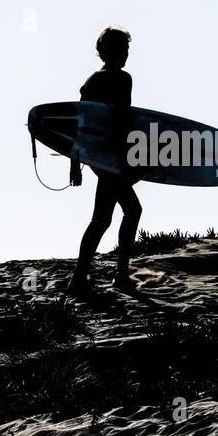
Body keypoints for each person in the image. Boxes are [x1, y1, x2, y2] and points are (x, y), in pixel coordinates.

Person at [68, 27, 142, 293]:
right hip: (112, 158)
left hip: (98, 159)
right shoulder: (123, 79)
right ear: (114, 51)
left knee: (102, 219)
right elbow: (124, 121)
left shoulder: (91, 82)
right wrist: (134, 160)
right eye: (125, 50)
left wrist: (76, 162)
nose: (127, 55)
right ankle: (120, 275)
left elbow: (81, 122)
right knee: (131, 211)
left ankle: (80, 277)